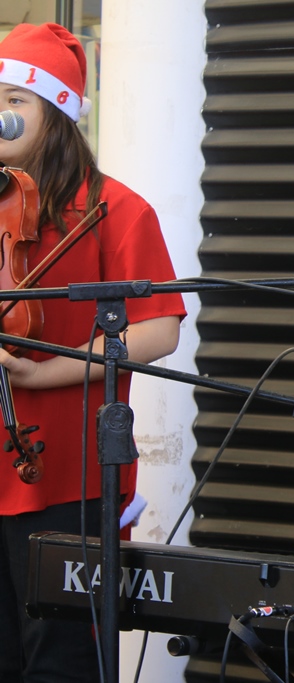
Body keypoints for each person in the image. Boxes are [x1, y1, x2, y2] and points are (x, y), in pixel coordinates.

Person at [0, 23, 186, 682]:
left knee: (60, 663)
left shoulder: (115, 209)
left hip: (65, 478)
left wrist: (45, 370)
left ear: (57, 112)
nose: (0, 112)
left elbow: (159, 330)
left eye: (15, 99)